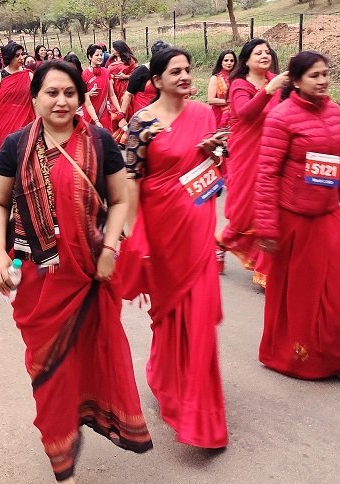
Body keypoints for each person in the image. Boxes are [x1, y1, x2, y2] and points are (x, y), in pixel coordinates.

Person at [0, 60, 152, 483]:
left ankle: (91, 417)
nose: (61, 101)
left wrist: (112, 247)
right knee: (49, 371)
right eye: (51, 93)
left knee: (95, 356)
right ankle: (61, 455)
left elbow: (119, 201)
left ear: (81, 97)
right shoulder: (13, 146)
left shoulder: (99, 142)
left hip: (91, 274)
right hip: (38, 279)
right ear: (35, 98)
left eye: (69, 93)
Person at [122, 48, 228, 449]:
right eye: (176, 71)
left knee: (199, 317)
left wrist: (219, 153)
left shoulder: (203, 113)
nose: (185, 76)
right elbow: (132, 179)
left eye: (188, 70)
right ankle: (168, 379)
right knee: (168, 316)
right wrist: (135, 234)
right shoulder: (141, 123)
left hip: (198, 228)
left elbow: (210, 165)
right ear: (158, 80)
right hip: (162, 231)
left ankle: (201, 411)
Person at [254, 51, 340, 388]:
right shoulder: (281, 117)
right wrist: (267, 226)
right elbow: (266, 175)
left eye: (325, 74)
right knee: (299, 297)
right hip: (294, 218)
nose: (322, 81)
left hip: (329, 214)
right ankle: (294, 356)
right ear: (297, 80)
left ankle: (336, 356)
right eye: (315, 75)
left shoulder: (333, 111)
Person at [216, 38, 288, 286]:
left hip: (274, 152)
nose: (264, 55)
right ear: (246, 59)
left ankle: (265, 268)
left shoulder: (276, 81)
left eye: (267, 51)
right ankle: (222, 240)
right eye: (258, 52)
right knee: (247, 211)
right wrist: (268, 91)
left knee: (270, 208)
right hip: (247, 153)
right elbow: (245, 113)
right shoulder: (239, 84)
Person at [0, 42, 35, 150]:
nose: (21, 58)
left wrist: (40, 121)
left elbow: (35, 100)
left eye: (22, 54)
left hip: (26, 120)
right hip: (4, 121)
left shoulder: (28, 74)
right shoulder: (0, 76)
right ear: (9, 57)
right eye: (17, 55)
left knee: (25, 151)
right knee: (7, 151)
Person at [119, 40, 169, 123]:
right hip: (143, 118)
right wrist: (122, 117)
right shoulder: (140, 71)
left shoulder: (167, 71)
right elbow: (128, 94)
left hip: (163, 114)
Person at [82, 44, 121, 131]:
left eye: (101, 55)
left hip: (104, 113)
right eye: (97, 55)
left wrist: (120, 111)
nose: (100, 57)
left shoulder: (106, 72)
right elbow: (82, 98)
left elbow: (112, 95)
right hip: (89, 113)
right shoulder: (84, 74)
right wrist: (88, 94)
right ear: (90, 57)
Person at [61, 52, 104, 123]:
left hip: (78, 116)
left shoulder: (80, 83)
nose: (71, 72)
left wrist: (96, 121)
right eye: (68, 69)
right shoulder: (57, 82)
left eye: (74, 69)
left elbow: (88, 104)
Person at [207, 50, 235, 128]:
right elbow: (210, 100)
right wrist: (229, 101)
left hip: (235, 115)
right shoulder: (215, 78)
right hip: (219, 116)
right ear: (221, 62)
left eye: (232, 61)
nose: (229, 63)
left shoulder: (237, 78)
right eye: (226, 60)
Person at [106, 40, 137, 110]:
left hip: (124, 88)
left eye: (113, 48)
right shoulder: (111, 59)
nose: (111, 49)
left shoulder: (130, 60)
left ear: (119, 49)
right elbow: (106, 71)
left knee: (125, 106)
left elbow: (136, 74)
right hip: (113, 86)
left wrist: (125, 76)